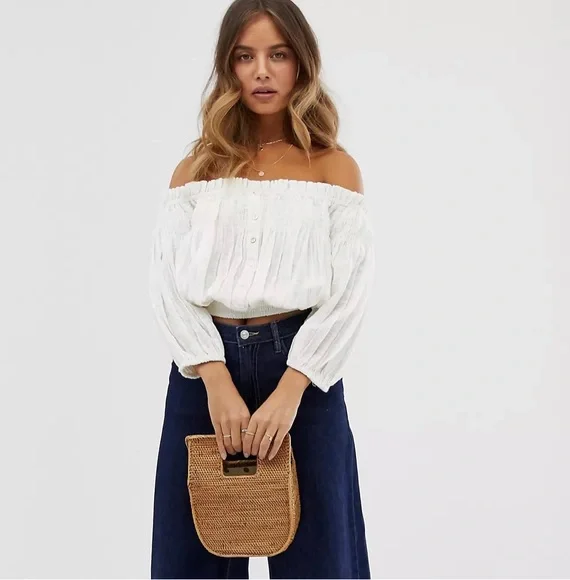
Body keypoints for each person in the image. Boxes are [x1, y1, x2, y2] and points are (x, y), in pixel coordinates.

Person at [148, 0, 375, 578]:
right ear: (228, 67)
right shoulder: (196, 171)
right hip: (204, 372)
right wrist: (215, 378)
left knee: (322, 560)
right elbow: (168, 285)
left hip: (305, 372)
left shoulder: (332, 168)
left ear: (302, 63)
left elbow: (348, 294)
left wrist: (292, 387)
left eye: (278, 55)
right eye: (245, 57)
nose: (263, 72)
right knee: (189, 561)